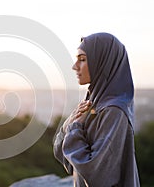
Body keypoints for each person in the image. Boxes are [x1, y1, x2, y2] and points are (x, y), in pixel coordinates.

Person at [53, 32, 140, 187]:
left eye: (82, 60)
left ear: (102, 62)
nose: (75, 66)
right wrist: (71, 122)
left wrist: (75, 128)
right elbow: (64, 156)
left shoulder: (114, 111)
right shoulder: (92, 104)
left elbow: (98, 175)